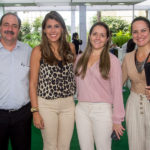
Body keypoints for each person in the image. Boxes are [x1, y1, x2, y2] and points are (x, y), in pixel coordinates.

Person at [74, 22, 125, 150]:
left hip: (103, 111)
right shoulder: (79, 59)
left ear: (107, 39)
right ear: (90, 36)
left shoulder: (112, 60)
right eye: (95, 34)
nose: (98, 38)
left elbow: (117, 92)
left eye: (102, 35)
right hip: (81, 110)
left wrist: (117, 119)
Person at [29, 11, 76, 150]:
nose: (53, 30)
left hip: (68, 105)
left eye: (57, 26)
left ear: (62, 28)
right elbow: (32, 83)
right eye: (49, 26)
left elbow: (73, 75)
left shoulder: (71, 48)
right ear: (44, 30)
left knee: (64, 146)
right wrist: (35, 111)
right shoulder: (38, 51)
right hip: (46, 105)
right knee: (50, 146)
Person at [0, 13, 32, 150]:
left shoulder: (28, 51)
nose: (10, 29)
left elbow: (34, 80)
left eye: (14, 26)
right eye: (6, 24)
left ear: (18, 30)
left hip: (22, 115)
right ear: (0, 27)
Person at [122, 16, 150, 150]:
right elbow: (117, 84)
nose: (139, 35)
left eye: (143, 30)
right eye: (135, 31)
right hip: (133, 105)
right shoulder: (127, 58)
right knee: (135, 145)